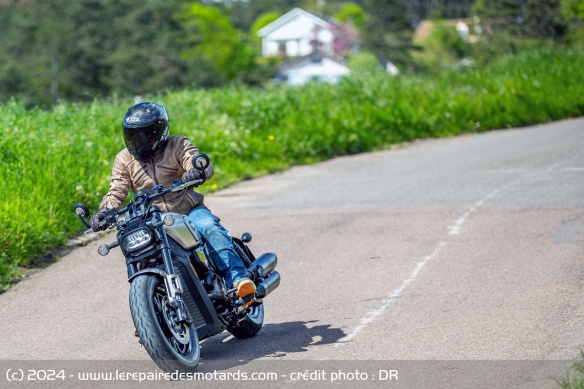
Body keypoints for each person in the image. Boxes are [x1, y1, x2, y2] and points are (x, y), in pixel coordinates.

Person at [90, 102, 256, 304]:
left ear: (156, 132)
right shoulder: (124, 159)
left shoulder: (177, 145)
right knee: (139, 249)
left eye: (141, 135)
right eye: (131, 135)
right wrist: (104, 211)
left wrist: (197, 171)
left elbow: (197, 161)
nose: (135, 141)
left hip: (188, 211)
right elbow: (116, 189)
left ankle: (238, 280)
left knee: (209, 227)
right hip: (153, 220)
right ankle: (149, 306)